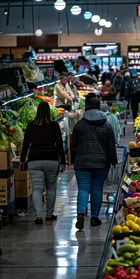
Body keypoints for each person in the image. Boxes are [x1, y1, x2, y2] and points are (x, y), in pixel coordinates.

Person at [72, 93, 118, 230]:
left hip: (82, 162)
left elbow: (73, 145)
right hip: (101, 163)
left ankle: (80, 214)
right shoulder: (107, 126)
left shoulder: (79, 125)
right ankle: (94, 218)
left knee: (83, 188)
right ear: (99, 107)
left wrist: (75, 159)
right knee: (97, 188)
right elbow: (111, 147)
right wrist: (113, 161)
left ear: (86, 107)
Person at [20, 101, 66, 224]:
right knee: (51, 187)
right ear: (49, 112)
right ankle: (49, 214)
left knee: (37, 189)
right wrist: (63, 161)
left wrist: (22, 159)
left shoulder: (30, 126)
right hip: (51, 159)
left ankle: (39, 216)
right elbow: (60, 144)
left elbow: (25, 145)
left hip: (34, 160)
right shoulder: (54, 125)